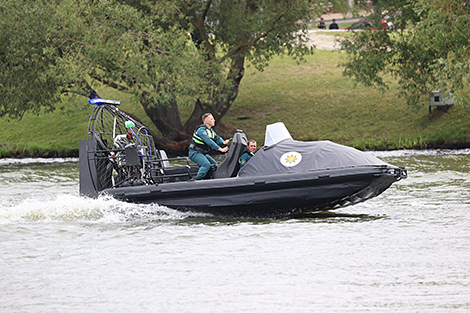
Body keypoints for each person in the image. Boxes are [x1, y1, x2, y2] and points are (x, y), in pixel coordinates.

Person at [189, 113, 230, 179]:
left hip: (203, 154)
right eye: (211, 119)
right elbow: (209, 141)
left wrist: (223, 142)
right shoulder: (201, 131)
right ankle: (197, 180)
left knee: (215, 165)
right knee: (206, 164)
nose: (214, 120)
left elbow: (217, 138)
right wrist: (220, 149)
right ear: (206, 121)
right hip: (195, 153)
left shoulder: (210, 131)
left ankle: (211, 178)